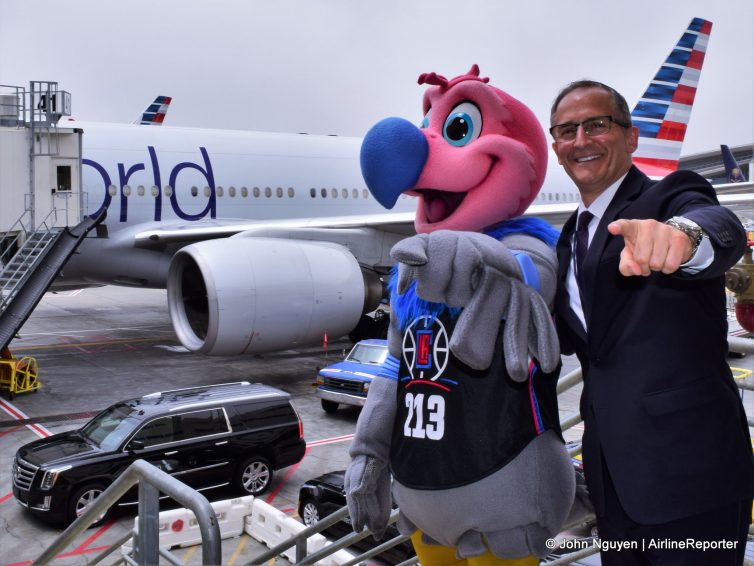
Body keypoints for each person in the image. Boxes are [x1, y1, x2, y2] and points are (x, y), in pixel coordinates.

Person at [550, 80, 754, 565]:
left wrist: (683, 238)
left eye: (596, 124)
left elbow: (718, 225)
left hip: (692, 475)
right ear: (556, 147)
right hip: (612, 479)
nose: (581, 140)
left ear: (631, 136)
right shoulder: (568, 236)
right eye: (566, 130)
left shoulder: (668, 197)